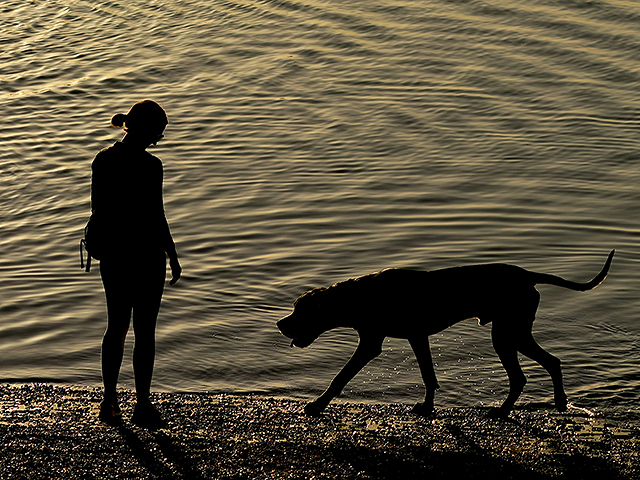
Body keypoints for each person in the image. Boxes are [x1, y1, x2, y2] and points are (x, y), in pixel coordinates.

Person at [91, 100, 182, 429]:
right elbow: (157, 215)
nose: (158, 139)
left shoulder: (103, 160)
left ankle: (110, 401)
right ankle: (142, 405)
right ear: (146, 129)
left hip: (114, 255)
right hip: (146, 256)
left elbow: (98, 209)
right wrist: (171, 253)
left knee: (116, 326)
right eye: (158, 132)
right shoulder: (151, 166)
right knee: (145, 332)